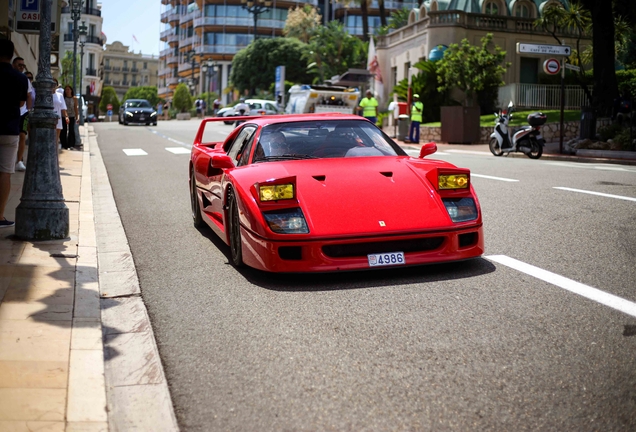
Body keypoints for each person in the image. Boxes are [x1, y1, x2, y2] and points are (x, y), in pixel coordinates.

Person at [0, 39, 29, 228]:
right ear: (11, 56)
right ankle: (0, 216)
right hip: (10, 129)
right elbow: (21, 104)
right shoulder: (20, 78)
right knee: (5, 173)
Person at [11, 57, 33, 172]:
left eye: (23, 66)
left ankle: (19, 161)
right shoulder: (10, 75)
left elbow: (28, 96)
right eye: (19, 65)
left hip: (23, 112)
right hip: (11, 111)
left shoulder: (25, 79)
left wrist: (28, 110)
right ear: (13, 64)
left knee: (22, 136)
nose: (21, 67)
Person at [52, 79, 68, 148]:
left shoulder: (60, 95)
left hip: (58, 119)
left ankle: (55, 157)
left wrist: (66, 116)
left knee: (56, 139)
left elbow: (63, 108)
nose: (53, 85)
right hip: (48, 119)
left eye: (55, 83)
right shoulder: (46, 94)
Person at [61, 85, 78, 150]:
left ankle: (71, 144)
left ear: (71, 90)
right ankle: (64, 144)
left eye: (68, 89)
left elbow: (75, 108)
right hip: (64, 116)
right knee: (64, 130)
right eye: (66, 90)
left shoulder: (74, 98)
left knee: (71, 130)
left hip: (72, 116)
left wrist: (77, 117)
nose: (67, 91)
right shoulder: (63, 98)